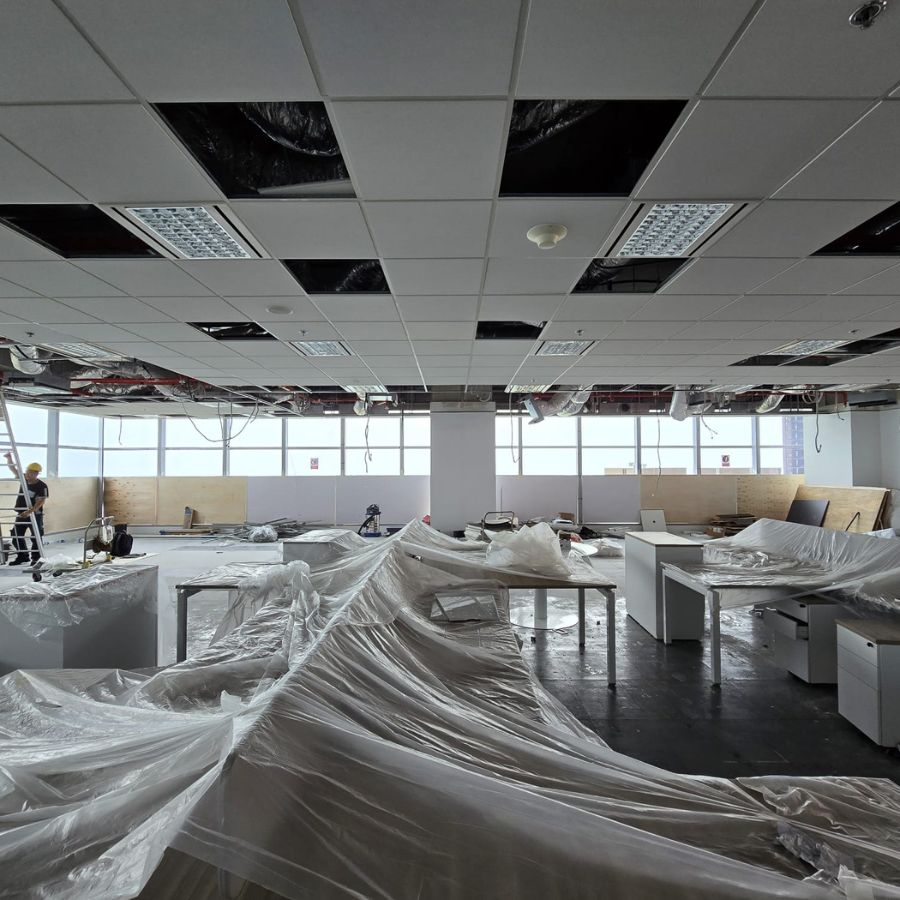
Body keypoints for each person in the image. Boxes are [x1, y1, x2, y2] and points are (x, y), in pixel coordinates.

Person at [5, 453, 48, 565]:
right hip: (21, 513)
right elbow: (13, 468)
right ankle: (23, 556)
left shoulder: (42, 486)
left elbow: (41, 501)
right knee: (16, 535)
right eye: (27, 472)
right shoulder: (24, 479)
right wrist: (9, 458)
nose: (27, 475)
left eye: (30, 473)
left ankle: (36, 558)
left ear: (36, 474)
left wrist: (30, 511)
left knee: (36, 537)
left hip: (35, 515)